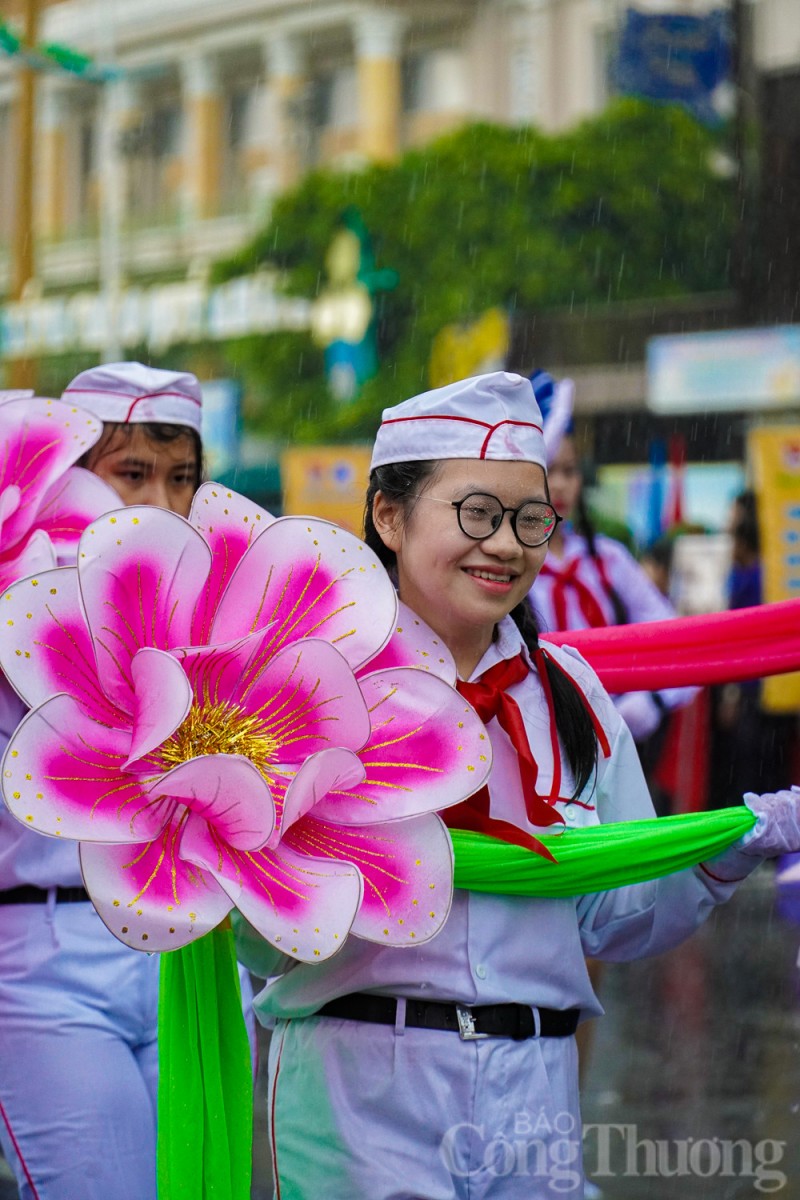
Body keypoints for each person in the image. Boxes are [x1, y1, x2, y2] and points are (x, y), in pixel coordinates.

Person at [233, 371, 800, 1200]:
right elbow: (260, 931)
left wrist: (737, 840)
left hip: (537, 1085)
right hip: (360, 1075)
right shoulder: (313, 680)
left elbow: (617, 913)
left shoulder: (569, 692)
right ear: (388, 516)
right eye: (476, 513)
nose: (505, 543)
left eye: (531, 519)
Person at [0, 363, 208, 1200]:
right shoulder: (13, 608)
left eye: (183, 478)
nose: (160, 503)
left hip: (193, 961)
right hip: (46, 969)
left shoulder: (222, 612)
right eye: (132, 474)